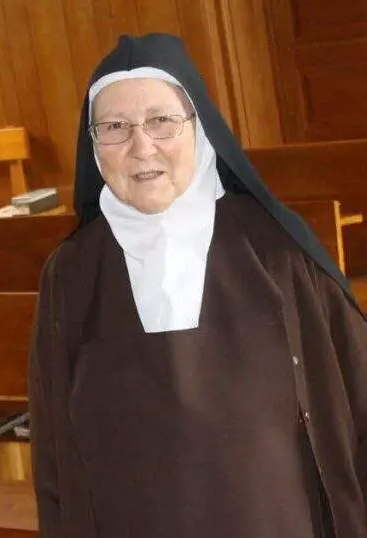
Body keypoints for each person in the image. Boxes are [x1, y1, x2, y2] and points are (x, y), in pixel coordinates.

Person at [28, 33, 367, 538]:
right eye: (115, 127)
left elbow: (357, 408)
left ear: (200, 129)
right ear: (93, 145)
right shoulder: (71, 274)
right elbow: (54, 449)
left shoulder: (279, 252)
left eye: (162, 121)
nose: (142, 147)